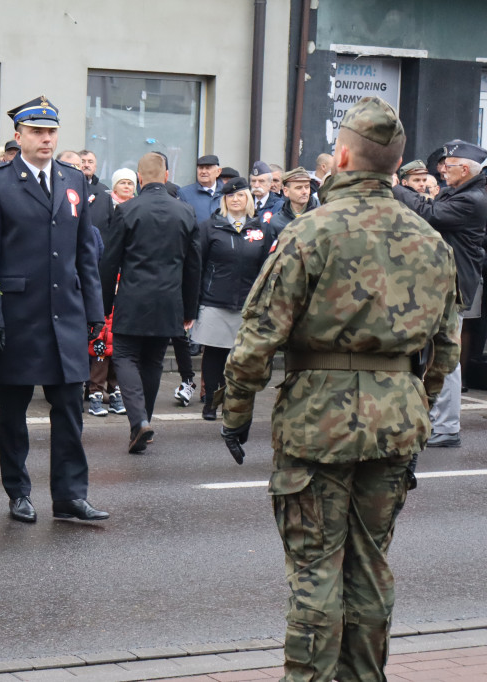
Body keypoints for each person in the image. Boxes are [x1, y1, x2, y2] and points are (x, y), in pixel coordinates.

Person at [220, 96, 460, 682]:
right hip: (396, 419)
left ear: (344, 156)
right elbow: (447, 350)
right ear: (396, 162)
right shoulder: (431, 241)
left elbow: (257, 337)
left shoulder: (310, 233)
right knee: (371, 565)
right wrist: (416, 407)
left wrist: (235, 411)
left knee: (316, 570)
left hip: (317, 423)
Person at [0, 95, 108, 523]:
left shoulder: (73, 179)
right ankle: (19, 492)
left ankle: (70, 495)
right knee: (14, 410)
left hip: (65, 312)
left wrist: (94, 313)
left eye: (51, 132)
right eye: (36, 132)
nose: (46, 139)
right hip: (18, 312)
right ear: (19, 136)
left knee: (69, 408)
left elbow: (86, 252)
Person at [99, 152, 199, 453]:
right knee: (153, 360)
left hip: (133, 296)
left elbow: (109, 262)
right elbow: (194, 265)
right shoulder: (186, 212)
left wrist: (103, 306)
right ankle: (143, 424)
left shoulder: (127, 210)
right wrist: (189, 309)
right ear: (166, 176)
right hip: (170, 300)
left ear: (139, 178)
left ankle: (139, 421)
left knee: (125, 356)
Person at [393, 140, 487, 448]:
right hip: (438, 283)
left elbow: (428, 213)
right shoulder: (459, 193)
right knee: (432, 353)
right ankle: (434, 419)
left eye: (448, 165)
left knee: (444, 355)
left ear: (465, 169)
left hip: (452, 287)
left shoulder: (472, 199)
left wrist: (395, 186)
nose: (441, 170)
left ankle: (446, 426)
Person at [194, 176, 274, 420]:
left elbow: (266, 268)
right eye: (230, 196)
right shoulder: (210, 226)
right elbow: (198, 264)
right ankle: (210, 402)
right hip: (214, 300)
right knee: (214, 355)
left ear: (248, 198)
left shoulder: (261, 228)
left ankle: (231, 402)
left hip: (246, 304)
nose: (236, 199)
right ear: (224, 200)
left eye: (240, 195)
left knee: (238, 358)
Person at [269, 166, 318, 236]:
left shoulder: (319, 216)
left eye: (307, 187)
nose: (304, 192)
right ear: (286, 191)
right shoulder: (277, 221)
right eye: (299, 188)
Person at [177, 154, 223, 224]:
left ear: (218, 171)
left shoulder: (228, 193)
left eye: (208, 168)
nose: (203, 171)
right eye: (201, 168)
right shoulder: (184, 193)